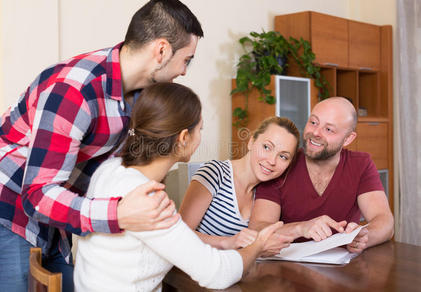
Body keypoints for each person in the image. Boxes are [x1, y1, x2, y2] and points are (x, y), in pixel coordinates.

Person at [0, 0, 203, 292]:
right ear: (162, 50)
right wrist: (119, 214)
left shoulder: (137, 97)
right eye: (186, 59)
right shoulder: (74, 91)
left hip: (56, 220)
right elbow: (38, 195)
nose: (184, 71)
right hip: (12, 210)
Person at [74, 82, 286, 291]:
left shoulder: (110, 169)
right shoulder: (149, 201)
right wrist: (258, 245)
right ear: (184, 138)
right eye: (199, 129)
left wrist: (225, 243)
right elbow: (217, 274)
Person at [249, 97, 394, 253]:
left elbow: (385, 221)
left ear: (348, 139)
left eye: (329, 129)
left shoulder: (361, 164)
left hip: (343, 269)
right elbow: (258, 228)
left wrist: (365, 236)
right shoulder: (283, 163)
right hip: (286, 268)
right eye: (313, 122)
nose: (315, 133)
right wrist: (300, 228)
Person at [179, 117, 299, 250]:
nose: (272, 161)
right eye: (267, 147)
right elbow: (179, 235)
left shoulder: (265, 197)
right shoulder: (214, 173)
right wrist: (227, 242)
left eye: (283, 156)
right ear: (251, 142)